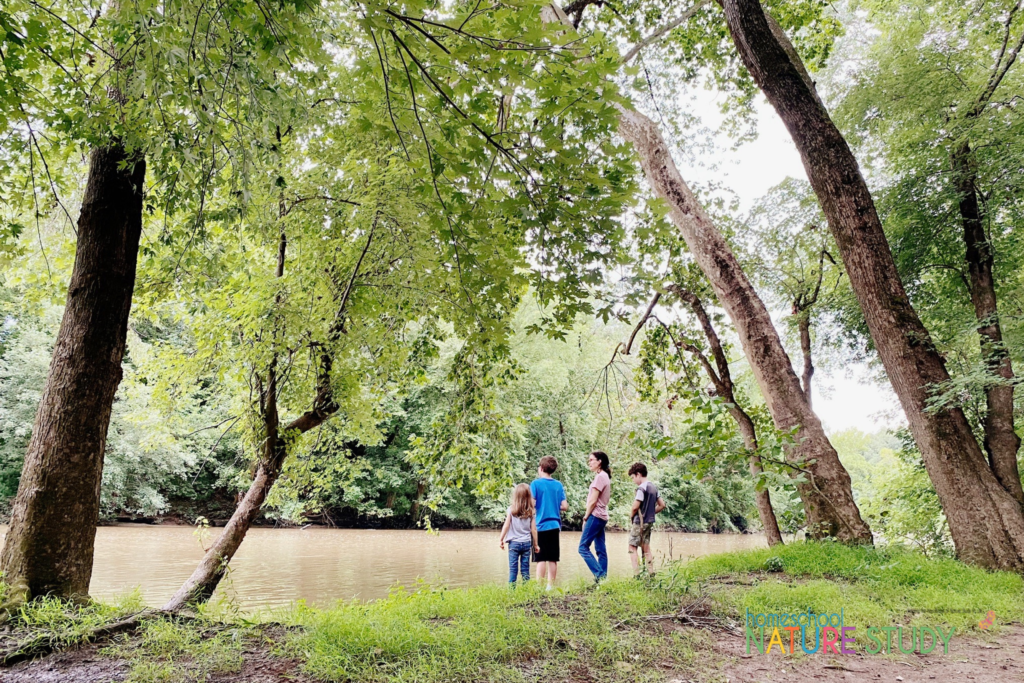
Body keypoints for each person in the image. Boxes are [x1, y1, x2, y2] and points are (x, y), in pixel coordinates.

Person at [530, 456, 568, 590]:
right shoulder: (558, 485)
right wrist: (553, 505)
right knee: (552, 557)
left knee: (541, 558)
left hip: (540, 526)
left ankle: (539, 586)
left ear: (540, 468)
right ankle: (550, 586)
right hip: (554, 526)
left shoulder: (535, 484)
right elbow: (564, 506)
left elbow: (532, 503)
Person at [628, 462, 666, 576]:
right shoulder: (654, 487)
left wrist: (631, 516)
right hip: (649, 522)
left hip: (639, 522)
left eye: (633, 477)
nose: (634, 480)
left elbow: (635, 506)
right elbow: (662, 505)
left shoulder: (641, 488)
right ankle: (651, 573)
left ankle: (636, 575)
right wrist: (650, 512)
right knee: (646, 548)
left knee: (632, 547)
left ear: (638, 474)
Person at [579, 450, 611, 583]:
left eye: (592, 460)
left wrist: (586, 517)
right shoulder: (604, 476)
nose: (589, 462)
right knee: (600, 549)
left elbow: (593, 500)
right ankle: (602, 579)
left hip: (596, 515)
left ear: (600, 462)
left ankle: (600, 576)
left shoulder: (600, 477)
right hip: (602, 517)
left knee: (582, 547)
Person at [499, 483, 540, 585]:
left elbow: (506, 525)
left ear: (516, 496)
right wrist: (536, 544)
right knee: (525, 570)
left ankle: (511, 592)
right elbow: (533, 530)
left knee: (513, 570)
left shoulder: (511, 510)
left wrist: (501, 539)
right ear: (528, 496)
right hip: (526, 543)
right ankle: (526, 591)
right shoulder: (531, 512)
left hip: (514, 544)